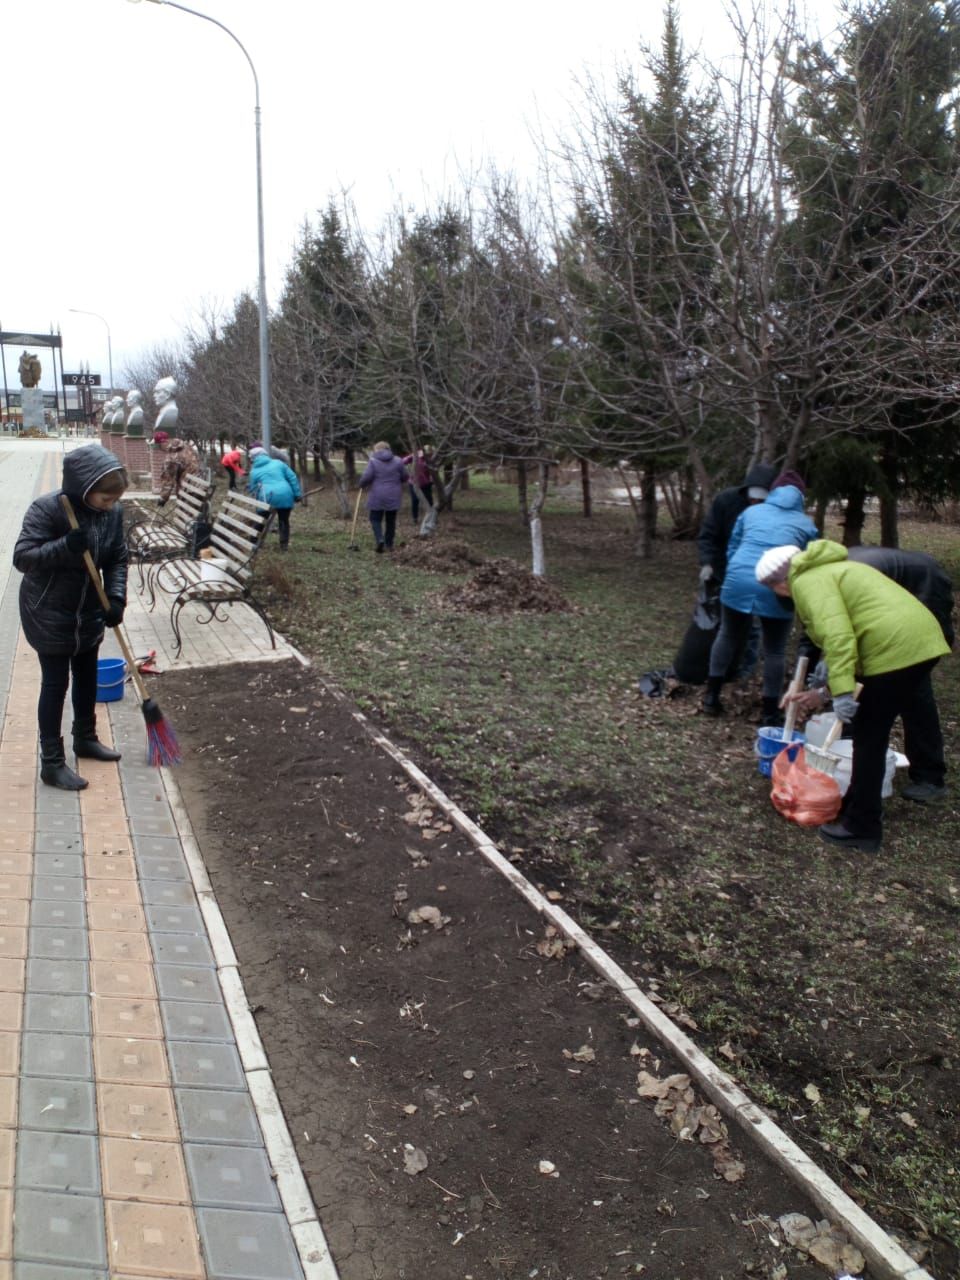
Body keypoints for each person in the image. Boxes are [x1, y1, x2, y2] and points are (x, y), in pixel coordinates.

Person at [759, 541, 950, 852]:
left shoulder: (806, 583)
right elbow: (856, 636)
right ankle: (855, 804)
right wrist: (824, 692)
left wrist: (844, 693)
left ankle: (862, 827)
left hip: (896, 649)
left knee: (869, 736)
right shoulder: (829, 569)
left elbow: (839, 637)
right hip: (917, 641)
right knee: (870, 730)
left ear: (779, 584)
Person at [792, 546, 953, 804]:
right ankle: (853, 749)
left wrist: (832, 681)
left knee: (913, 688)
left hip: (923, 589)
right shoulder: (822, 574)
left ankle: (930, 777)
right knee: (872, 680)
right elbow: (823, 630)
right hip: (891, 610)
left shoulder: (824, 579)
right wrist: (822, 672)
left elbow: (851, 639)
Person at [13, 444, 129, 791]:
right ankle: (51, 763)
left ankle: (85, 738)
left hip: (89, 610)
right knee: (55, 683)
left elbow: (118, 557)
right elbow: (23, 558)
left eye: (113, 500)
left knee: (86, 675)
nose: (110, 506)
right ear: (84, 488)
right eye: (104, 499)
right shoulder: (48, 509)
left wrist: (116, 597)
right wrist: (65, 546)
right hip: (49, 611)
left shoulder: (113, 513)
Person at [704, 472, 818, 723]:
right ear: (801, 497)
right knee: (775, 650)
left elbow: (733, 547)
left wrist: (736, 573)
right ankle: (769, 712)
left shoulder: (751, 513)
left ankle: (711, 697)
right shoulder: (806, 524)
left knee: (727, 635)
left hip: (738, 581)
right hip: (778, 587)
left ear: (774, 492)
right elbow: (810, 562)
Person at [697, 461, 777, 586]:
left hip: (757, 571)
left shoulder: (774, 509)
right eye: (752, 498)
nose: (755, 503)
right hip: (722, 567)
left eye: (760, 500)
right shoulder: (726, 500)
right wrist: (707, 562)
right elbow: (708, 534)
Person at [247, 443, 302, 551]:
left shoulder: (254, 472)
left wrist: (255, 498)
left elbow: (254, 489)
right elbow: (292, 478)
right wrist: (297, 495)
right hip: (285, 495)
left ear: (253, 458)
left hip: (268, 498)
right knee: (284, 521)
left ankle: (253, 542)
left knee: (261, 520)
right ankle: (283, 546)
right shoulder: (278, 463)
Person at [359, 442, 408, 552]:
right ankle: (389, 544)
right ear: (388, 449)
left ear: (376, 450)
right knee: (391, 520)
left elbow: (367, 477)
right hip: (394, 494)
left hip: (377, 494)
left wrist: (361, 484)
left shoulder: (373, 461)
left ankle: (380, 539)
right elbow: (405, 476)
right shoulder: (398, 461)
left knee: (375, 518)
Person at [156, 435, 200, 506]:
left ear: (162, 443)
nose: (160, 449)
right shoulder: (187, 447)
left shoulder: (171, 458)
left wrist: (163, 498)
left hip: (186, 490)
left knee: (185, 513)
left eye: (159, 446)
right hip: (199, 486)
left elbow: (168, 480)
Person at [402, 446, 435, 523]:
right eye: (428, 454)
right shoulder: (416, 456)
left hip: (426, 483)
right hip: (414, 482)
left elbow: (433, 470)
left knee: (429, 500)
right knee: (415, 500)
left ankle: (432, 518)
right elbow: (403, 461)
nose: (430, 455)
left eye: (431, 454)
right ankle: (415, 518)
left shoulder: (431, 459)